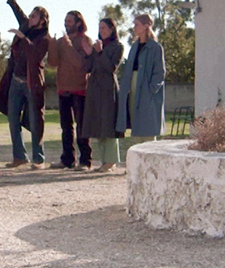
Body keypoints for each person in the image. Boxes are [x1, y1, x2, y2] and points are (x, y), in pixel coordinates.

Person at [0, 0, 50, 169]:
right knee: (13, 118)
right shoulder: (25, 25)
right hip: (16, 81)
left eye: (34, 16)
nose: (30, 18)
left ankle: (38, 158)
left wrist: (23, 38)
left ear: (42, 21)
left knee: (35, 120)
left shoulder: (45, 38)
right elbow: (18, 12)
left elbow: (35, 56)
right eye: (30, 15)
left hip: (32, 84)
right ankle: (19, 156)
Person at [48, 11, 93, 170]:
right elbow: (52, 62)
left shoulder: (84, 40)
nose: (66, 24)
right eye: (65, 21)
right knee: (66, 128)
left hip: (80, 90)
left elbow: (81, 64)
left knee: (81, 127)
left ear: (78, 23)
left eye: (69, 21)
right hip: (63, 89)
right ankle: (67, 159)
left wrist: (68, 45)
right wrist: (52, 45)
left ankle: (85, 160)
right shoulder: (62, 41)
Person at [80, 19, 124, 173]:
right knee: (98, 125)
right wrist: (88, 54)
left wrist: (100, 52)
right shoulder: (98, 45)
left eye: (104, 27)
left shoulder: (118, 46)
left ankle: (111, 160)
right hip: (94, 89)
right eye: (100, 28)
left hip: (108, 89)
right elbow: (88, 68)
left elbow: (111, 67)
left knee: (108, 125)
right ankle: (104, 160)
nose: (101, 30)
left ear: (112, 29)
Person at [116, 14, 166, 141]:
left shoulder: (155, 47)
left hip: (146, 89)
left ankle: (149, 152)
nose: (134, 27)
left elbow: (159, 73)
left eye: (136, 24)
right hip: (132, 87)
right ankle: (137, 151)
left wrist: (151, 90)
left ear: (146, 26)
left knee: (148, 126)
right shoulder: (134, 47)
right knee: (136, 122)